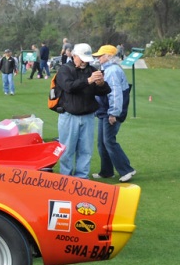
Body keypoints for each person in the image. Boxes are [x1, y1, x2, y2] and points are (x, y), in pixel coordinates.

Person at [55, 43, 110, 179]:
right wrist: (88, 80)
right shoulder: (64, 70)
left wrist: (101, 84)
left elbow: (104, 91)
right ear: (74, 56)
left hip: (88, 116)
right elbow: (69, 87)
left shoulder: (91, 69)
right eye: (82, 58)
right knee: (67, 150)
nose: (85, 62)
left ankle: (82, 179)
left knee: (85, 151)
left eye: (87, 59)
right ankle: (66, 178)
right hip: (69, 116)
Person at [92, 45, 136, 182]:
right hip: (105, 111)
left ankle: (126, 170)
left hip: (110, 112)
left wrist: (113, 113)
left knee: (109, 141)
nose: (98, 58)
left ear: (108, 56)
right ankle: (106, 171)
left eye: (100, 55)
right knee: (102, 142)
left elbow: (115, 94)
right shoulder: (108, 69)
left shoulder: (112, 71)